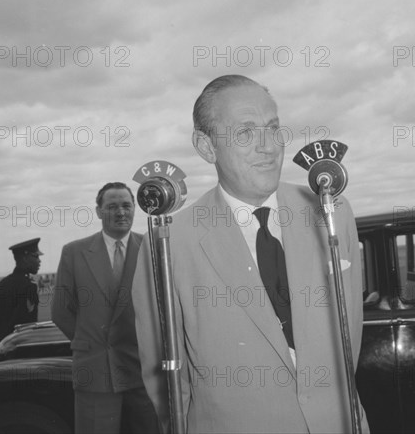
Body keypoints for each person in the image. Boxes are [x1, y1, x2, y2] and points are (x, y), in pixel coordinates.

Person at [132, 75, 370, 434]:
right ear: (206, 147)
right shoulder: (169, 241)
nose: (269, 147)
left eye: (273, 129)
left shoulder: (331, 212)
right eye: (245, 133)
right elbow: (165, 379)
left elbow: (349, 332)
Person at [52, 182, 160, 434]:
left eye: (126, 205)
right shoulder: (74, 252)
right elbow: (61, 312)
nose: (120, 212)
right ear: (99, 211)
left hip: (142, 371)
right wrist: (91, 343)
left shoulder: (153, 249)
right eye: (111, 206)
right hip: (95, 371)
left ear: (135, 209)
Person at [0, 238, 42, 348]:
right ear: (25, 257)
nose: (39, 261)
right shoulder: (29, 287)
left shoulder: (3, 284)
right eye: (36, 256)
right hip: (18, 348)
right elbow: (27, 327)